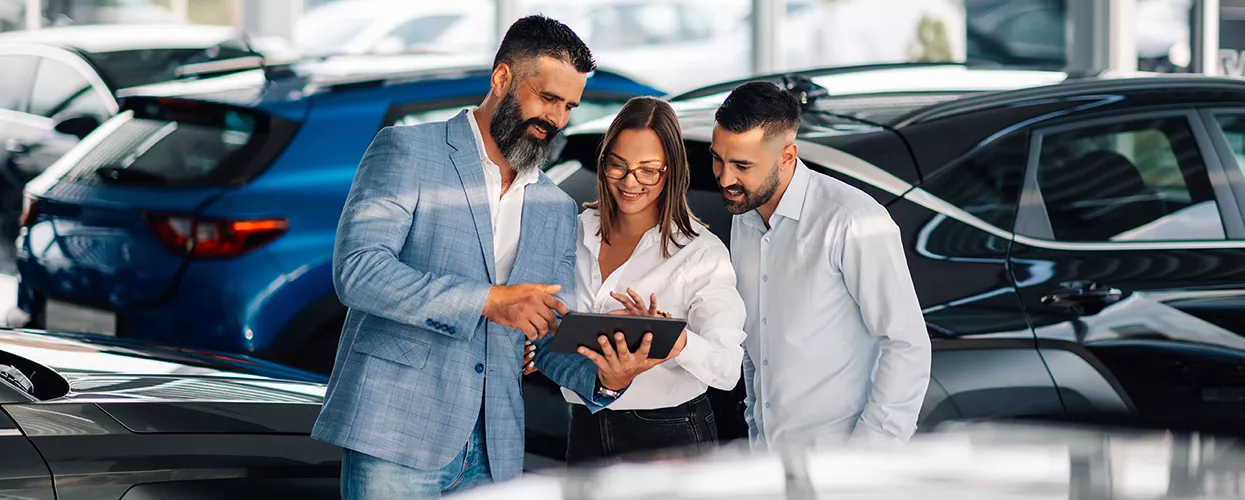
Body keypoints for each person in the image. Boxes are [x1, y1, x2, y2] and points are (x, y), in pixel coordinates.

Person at [313, 16, 665, 499]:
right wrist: (489, 301)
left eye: (569, 106)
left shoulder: (557, 207)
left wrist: (607, 375)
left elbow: (545, 333)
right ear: (502, 78)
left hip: (496, 448)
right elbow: (359, 271)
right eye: (547, 98)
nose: (558, 119)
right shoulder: (407, 150)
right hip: (396, 432)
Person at [709, 81, 932, 449]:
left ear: (787, 156)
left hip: (843, 466)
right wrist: (755, 431)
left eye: (742, 165)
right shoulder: (744, 217)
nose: (725, 178)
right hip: (770, 462)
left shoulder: (852, 220)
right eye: (718, 158)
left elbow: (906, 344)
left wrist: (865, 459)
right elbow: (756, 344)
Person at [525, 96, 746, 464]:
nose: (630, 182)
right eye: (618, 166)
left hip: (670, 434)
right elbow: (545, 322)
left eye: (647, 170)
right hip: (583, 428)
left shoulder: (701, 254)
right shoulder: (573, 233)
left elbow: (726, 369)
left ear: (670, 171)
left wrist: (674, 340)